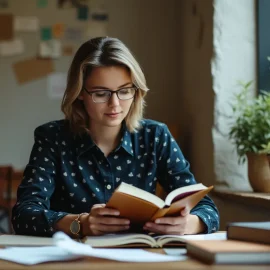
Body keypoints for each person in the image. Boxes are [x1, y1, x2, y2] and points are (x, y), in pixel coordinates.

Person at [12, 37, 219, 238]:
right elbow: (24, 214)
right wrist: (81, 223)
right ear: (80, 93)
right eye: (101, 93)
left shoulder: (156, 136)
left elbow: (206, 208)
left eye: (124, 91)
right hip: (72, 258)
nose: (115, 104)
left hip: (141, 256)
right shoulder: (52, 138)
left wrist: (190, 224)